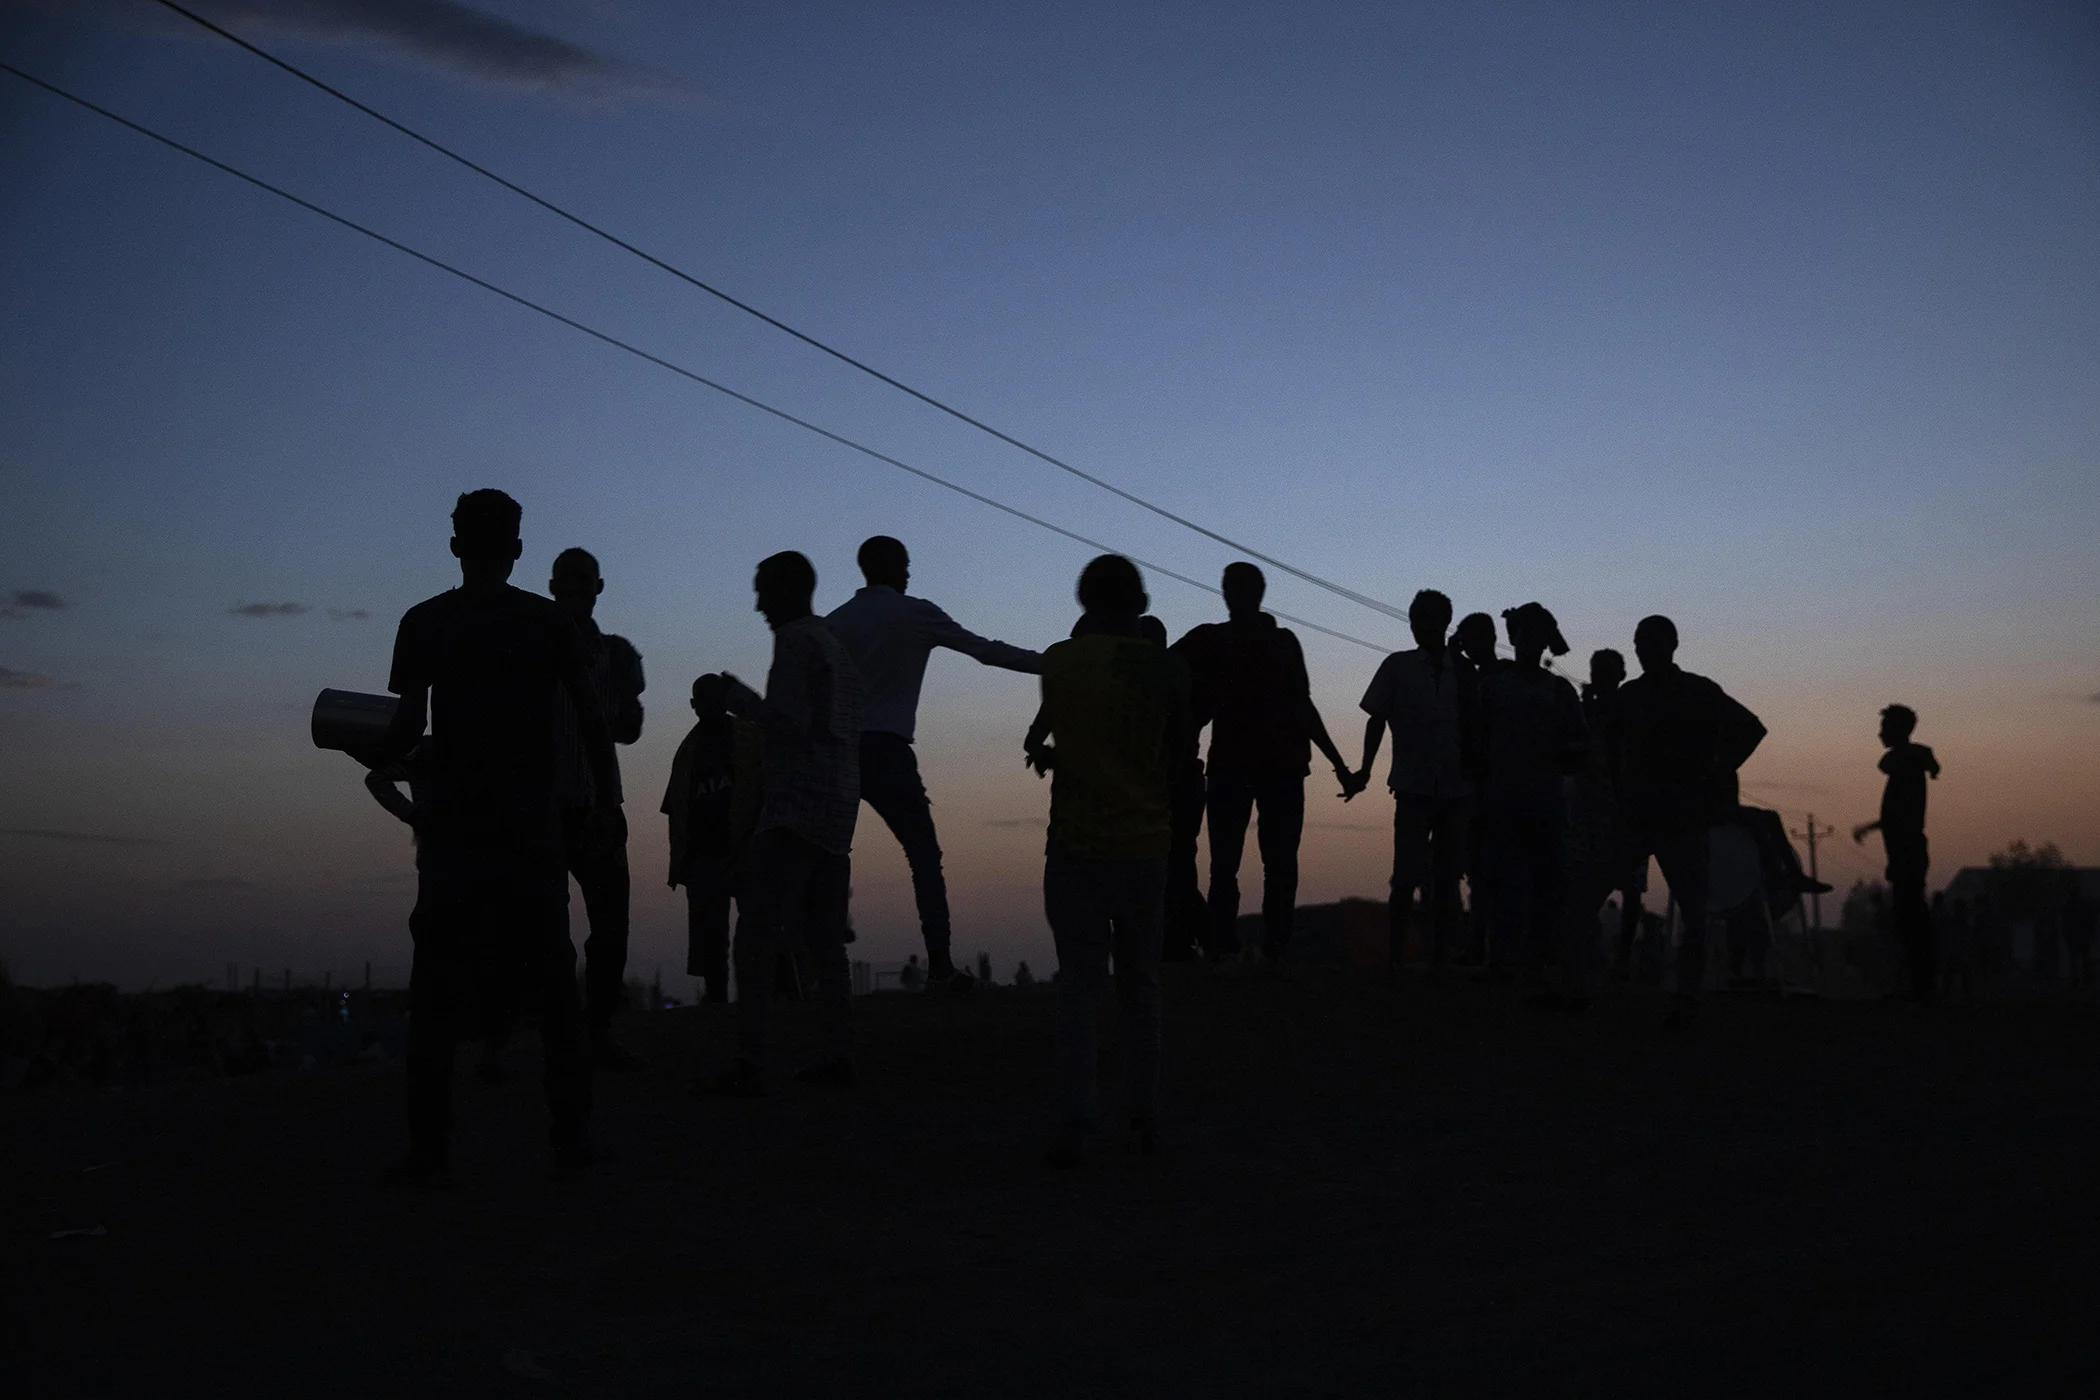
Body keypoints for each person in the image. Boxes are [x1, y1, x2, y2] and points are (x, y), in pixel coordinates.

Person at [374, 489, 615, 1184]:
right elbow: (595, 722)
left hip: (455, 827)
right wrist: (605, 803)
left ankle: (429, 1149)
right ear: (516, 549)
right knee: (553, 981)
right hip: (529, 825)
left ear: (454, 545)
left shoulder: (424, 622)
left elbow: (406, 728)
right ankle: (570, 1137)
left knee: (437, 985)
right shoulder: (547, 624)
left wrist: (367, 752)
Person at [1028, 555, 1190, 1168]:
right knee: (1140, 985)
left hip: (1073, 844)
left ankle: (1076, 1121)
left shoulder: (1059, 662)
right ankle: (1143, 1120)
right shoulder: (1170, 670)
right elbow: (1177, 761)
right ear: (1141, 602)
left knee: (1079, 986)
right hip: (1145, 845)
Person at [825, 535, 1041, 987]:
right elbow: (983, 650)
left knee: (829, 859)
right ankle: (939, 961)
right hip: (888, 751)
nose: (909, 573)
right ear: (890, 566)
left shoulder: (835, 623)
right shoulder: (914, 613)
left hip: (839, 752)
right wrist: (1049, 663)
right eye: (904, 564)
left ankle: (824, 970)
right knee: (923, 855)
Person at [703, 551, 864, 1095]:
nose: (757, 605)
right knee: (823, 938)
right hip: (836, 809)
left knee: (754, 935)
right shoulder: (833, 646)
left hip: (796, 808)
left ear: (787, 590)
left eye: (763, 590)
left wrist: (739, 700)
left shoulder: (797, 642)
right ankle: (838, 1054)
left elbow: (791, 725)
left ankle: (751, 1060)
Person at [1173, 563, 1357, 973]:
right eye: (1229, 587)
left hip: (1277, 767)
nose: (1234, 594)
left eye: (1240, 587)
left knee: (1273, 864)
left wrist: (1338, 763)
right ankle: (1232, 948)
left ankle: (1271, 948)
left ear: (1257, 592)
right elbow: (1162, 668)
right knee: (1230, 864)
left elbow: (1304, 707)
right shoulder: (1212, 640)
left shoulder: (1276, 642)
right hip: (1243, 766)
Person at [1617, 615, 1766, 1029]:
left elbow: (1751, 730)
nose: (1642, 649)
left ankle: (1686, 998)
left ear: (1672, 644)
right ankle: (1581, 980)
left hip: (1679, 815)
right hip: (1644, 811)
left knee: (1694, 913)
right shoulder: (1635, 695)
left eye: (1649, 641)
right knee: (1594, 890)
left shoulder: (1697, 691)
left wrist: (1719, 771)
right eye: (1639, 642)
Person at [547, 548, 647, 1068]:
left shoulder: (612, 655)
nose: (578, 589)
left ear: (598, 588)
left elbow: (630, 728)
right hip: (544, 808)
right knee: (538, 931)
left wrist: (618, 704)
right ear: (554, 586)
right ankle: (538, 1034)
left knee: (610, 929)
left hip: (597, 807)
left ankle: (596, 1031)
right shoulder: (532, 647)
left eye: (584, 581)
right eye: (570, 580)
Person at [1354, 589, 1472, 979]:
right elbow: (1376, 719)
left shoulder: (1462, 670)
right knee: (1406, 875)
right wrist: (1366, 770)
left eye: (1423, 616)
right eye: (1414, 616)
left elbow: (1474, 727)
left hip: (1454, 787)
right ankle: (1397, 957)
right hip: (1414, 785)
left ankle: (1437, 958)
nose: (1417, 624)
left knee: (1445, 877)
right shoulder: (1399, 666)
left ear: (1442, 621)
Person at [1477, 604, 1588, 999]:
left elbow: (1580, 742)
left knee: (1544, 882)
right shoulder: (1494, 686)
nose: (1528, 643)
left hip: (1543, 796)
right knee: (1501, 880)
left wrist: (1558, 755)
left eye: (1535, 637)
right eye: (1524, 635)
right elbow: (1476, 737)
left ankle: (1538, 960)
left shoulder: (1557, 690)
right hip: (1502, 794)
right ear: (1515, 638)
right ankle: (1503, 958)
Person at [662, 675, 763, 1005]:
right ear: (694, 706)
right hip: (706, 857)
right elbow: (677, 810)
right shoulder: (687, 753)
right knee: (713, 940)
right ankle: (721, 1002)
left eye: (712, 698)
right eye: (702, 699)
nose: (707, 705)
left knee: (756, 933)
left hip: (749, 847)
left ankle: (757, 999)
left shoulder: (749, 737)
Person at [1564, 649, 1647, 981]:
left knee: (1629, 888)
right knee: (1583, 885)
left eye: (1608, 670)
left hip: (1624, 808)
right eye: (1598, 669)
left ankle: (1621, 958)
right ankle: (1588, 954)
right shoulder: (1585, 711)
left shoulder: (1630, 710)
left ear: (1621, 674)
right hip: (1588, 809)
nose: (1603, 676)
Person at [1851, 704, 1939, 1002]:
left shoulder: (1907, 765)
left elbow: (1900, 816)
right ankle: (1917, 986)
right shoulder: (1909, 764)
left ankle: (1918, 988)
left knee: (1910, 920)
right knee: (1909, 918)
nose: (1880, 733)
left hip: (1908, 852)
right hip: (1906, 852)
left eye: (1886, 727)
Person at [1449, 611, 1500, 964]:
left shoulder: (1499, 678)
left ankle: (1483, 943)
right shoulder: (1465, 676)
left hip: (1496, 786)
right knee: (1477, 871)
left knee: (1489, 871)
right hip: (1472, 785)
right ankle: (1475, 942)